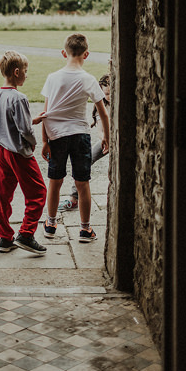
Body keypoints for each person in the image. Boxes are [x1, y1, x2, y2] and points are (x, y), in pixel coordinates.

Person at [40, 33, 109, 243]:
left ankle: (51, 223)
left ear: (64, 53)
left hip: (57, 136)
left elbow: (45, 113)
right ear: (86, 54)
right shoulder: (88, 79)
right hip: (80, 135)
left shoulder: (53, 77)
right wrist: (106, 136)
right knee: (82, 182)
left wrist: (44, 141)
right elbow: (103, 113)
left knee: (55, 181)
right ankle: (85, 230)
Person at [0, 51, 48, 254]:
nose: (26, 74)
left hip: (1, 151)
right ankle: (26, 234)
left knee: (3, 195)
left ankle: (5, 238)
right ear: (16, 72)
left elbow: (7, 121)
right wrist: (34, 143)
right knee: (38, 192)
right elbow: (25, 131)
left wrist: (32, 120)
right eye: (25, 71)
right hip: (18, 153)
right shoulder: (19, 98)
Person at [58, 73, 111, 213]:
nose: (107, 96)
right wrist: (105, 140)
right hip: (108, 139)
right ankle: (74, 198)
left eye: (110, 94)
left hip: (120, 139)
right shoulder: (102, 105)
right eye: (105, 94)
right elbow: (100, 131)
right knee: (88, 158)